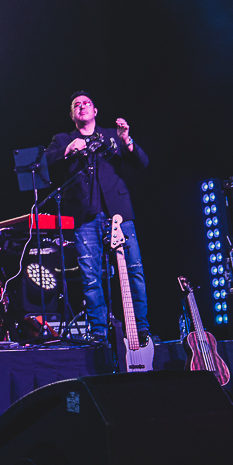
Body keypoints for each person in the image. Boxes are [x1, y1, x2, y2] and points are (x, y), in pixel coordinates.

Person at [45, 93, 150, 343]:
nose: (82, 107)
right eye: (76, 105)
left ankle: (140, 328)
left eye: (86, 103)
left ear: (95, 111)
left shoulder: (112, 136)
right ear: (72, 115)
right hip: (84, 217)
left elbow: (142, 162)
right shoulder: (62, 140)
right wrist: (68, 150)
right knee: (91, 276)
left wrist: (127, 139)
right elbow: (44, 163)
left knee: (134, 271)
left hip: (119, 212)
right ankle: (99, 332)